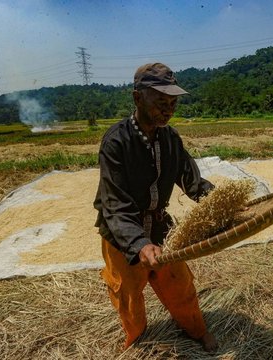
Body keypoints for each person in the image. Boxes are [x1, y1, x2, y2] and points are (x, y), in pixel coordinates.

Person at [93, 62, 218, 352]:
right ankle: (136, 339)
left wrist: (221, 204)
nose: (168, 109)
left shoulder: (171, 139)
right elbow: (114, 204)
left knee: (180, 284)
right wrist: (139, 243)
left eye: (173, 103)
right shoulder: (116, 142)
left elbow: (193, 182)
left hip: (160, 226)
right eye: (161, 101)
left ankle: (195, 330)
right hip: (121, 233)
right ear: (138, 97)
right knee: (128, 294)